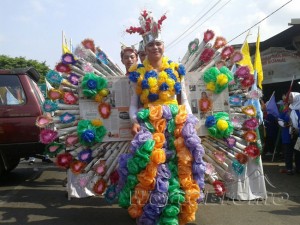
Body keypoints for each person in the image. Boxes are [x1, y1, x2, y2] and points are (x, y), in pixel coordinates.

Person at [117, 10, 205, 225]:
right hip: (149, 125)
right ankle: (151, 212)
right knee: (151, 166)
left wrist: (189, 122)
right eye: (150, 46)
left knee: (179, 164)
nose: (155, 48)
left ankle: (175, 211)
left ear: (163, 46)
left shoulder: (176, 69)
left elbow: (183, 99)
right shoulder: (137, 73)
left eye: (158, 44)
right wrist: (135, 122)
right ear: (144, 49)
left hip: (176, 124)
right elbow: (133, 105)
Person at [287, 92, 300, 173]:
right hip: (293, 135)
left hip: (299, 134)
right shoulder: (291, 109)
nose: (289, 98)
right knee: (297, 153)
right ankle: (298, 168)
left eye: (291, 97)